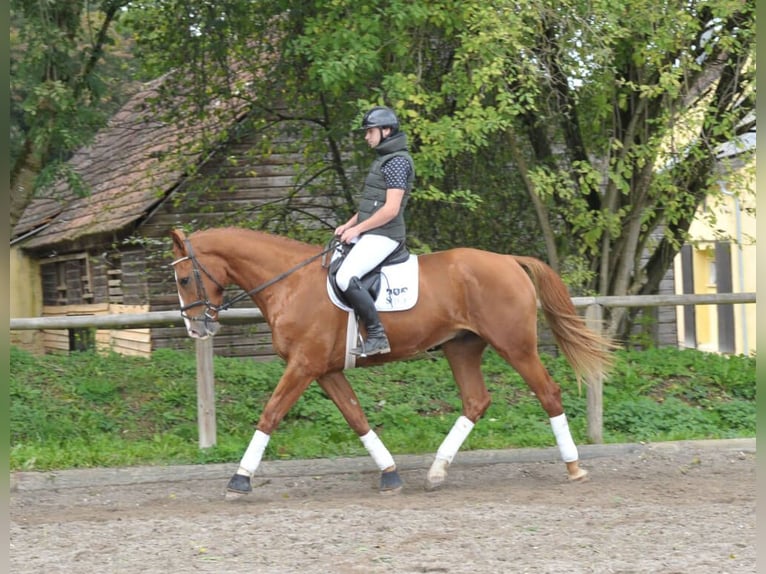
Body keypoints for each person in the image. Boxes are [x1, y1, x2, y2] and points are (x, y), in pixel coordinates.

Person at [334, 105, 415, 356]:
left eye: (370, 131)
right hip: (373, 230)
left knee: (345, 277)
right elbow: (372, 206)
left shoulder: (397, 162)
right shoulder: (384, 160)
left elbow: (390, 210)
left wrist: (358, 228)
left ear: (386, 130)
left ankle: (377, 335)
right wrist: (349, 224)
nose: (366, 137)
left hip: (386, 234)